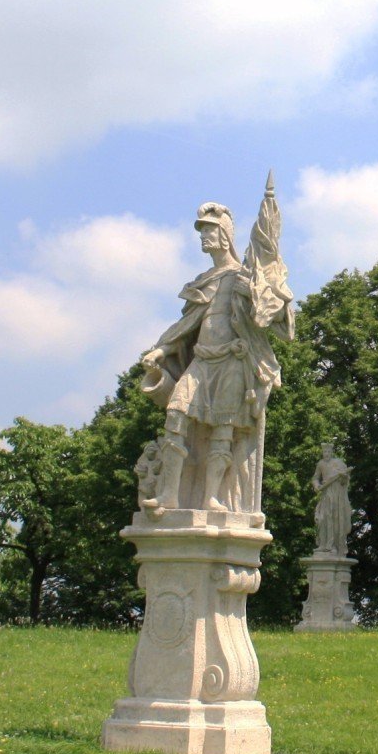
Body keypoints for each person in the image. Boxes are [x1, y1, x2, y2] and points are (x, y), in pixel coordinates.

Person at [140, 185, 292, 515]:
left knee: (223, 431)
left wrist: (254, 293)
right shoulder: (206, 279)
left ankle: (212, 497)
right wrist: (162, 349)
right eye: (202, 231)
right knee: (176, 415)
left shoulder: (244, 275)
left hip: (233, 360)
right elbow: (188, 325)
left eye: (209, 230)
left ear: (225, 235)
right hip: (203, 361)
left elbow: (276, 316)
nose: (203, 237)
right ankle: (169, 495)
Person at [312, 442, 352, 558]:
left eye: (328, 452)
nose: (326, 454)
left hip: (337, 495)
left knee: (335, 519)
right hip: (326, 494)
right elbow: (315, 478)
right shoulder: (320, 464)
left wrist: (343, 477)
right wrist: (316, 485)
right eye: (325, 452)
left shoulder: (338, 463)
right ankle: (323, 545)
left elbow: (345, 482)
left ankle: (332, 546)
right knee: (323, 518)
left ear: (332, 452)